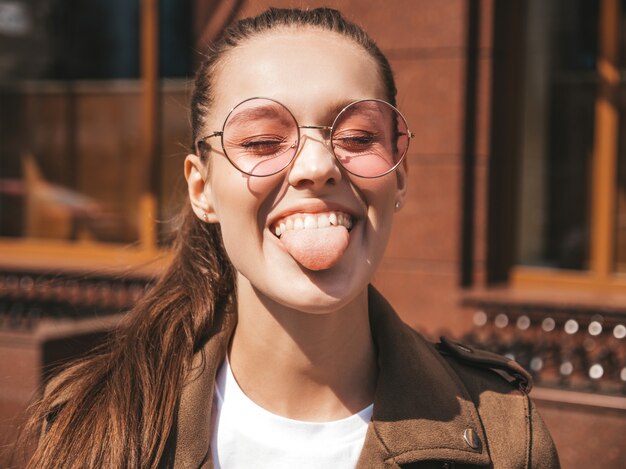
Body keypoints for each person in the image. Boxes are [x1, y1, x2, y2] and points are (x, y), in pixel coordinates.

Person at [21, 7, 560, 469]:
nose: (318, 165)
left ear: (398, 176)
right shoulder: (93, 422)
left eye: (357, 136)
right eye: (261, 141)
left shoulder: (506, 439)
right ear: (202, 188)